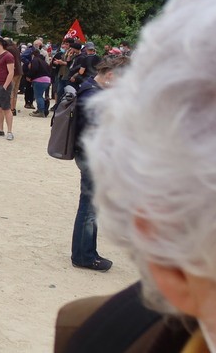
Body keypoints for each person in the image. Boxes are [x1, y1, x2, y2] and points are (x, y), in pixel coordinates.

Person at [57, 0, 216, 352]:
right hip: (91, 161)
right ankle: (84, 254)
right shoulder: (90, 92)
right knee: (88, 212)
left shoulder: (93, 330)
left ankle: (85, 252)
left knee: (89, 211)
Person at [66, 53, 130, 273]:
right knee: (89, 207)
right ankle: (83, 255)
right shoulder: (94, 97)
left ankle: (87, 252)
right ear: (111, 75)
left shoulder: (90, 90)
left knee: (91, 206)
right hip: (92, 156)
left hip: (90, 154)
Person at [27, 49, 53, 118]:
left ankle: (41, 111)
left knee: (38, 96)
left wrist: (29, 76)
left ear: (33, 55)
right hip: (47, 80)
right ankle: (39, 109)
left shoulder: (35, 60)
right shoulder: (43, 61)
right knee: (40, 95)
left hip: (39, 80)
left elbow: (34, 69)